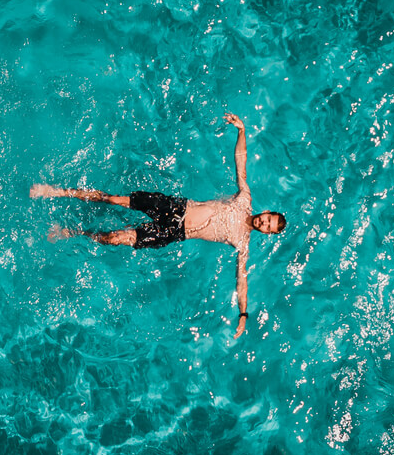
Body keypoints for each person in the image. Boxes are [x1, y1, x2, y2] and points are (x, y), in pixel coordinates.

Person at [30, 113, 285, 339]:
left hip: (173, 233)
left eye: (268, 227)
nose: (264, 223)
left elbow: (242, 280)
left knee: (114, 238)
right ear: (265, 212)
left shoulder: (243, 243)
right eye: (268, 218)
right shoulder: (244, 199)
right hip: (175, 207)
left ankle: (71, 232)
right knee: (112, 199)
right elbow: (241, 161)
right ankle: (57, 191)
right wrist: (241, 130)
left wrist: (243, 314)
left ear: (267, 233)